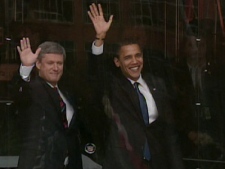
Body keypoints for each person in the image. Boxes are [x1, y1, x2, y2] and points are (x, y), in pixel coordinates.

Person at [87, 3, 184, 169]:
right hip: (124, 163)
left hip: (156, 163)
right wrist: (100, 38)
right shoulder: (114, 86)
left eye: (138, 55)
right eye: (128, 58)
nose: (134, 61)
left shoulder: (156, 84)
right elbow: (97, 73)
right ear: (117, 62)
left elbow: (168, 132)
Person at [12, 38, 83, 169]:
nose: (56, 68)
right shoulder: (33, 89)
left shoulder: (67, 94)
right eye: (50, 63)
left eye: (59, 63)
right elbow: (19, 96)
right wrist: (26, 69)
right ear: (38, 64)